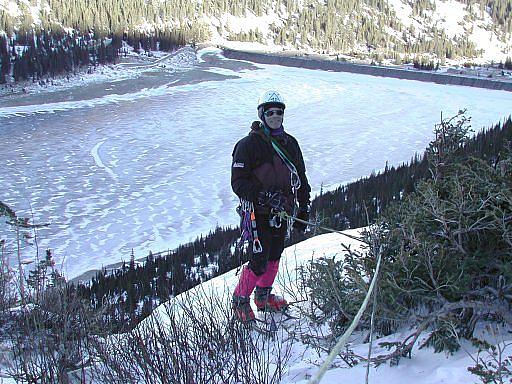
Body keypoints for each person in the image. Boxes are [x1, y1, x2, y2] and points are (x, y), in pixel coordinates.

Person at [231, 90, 311, 322]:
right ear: (262, 114)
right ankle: (240, 302)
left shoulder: (290, 143)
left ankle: (263, 298)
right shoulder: (248, 145)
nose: (275, 116)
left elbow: (301, 179)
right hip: (257, 212)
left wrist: (303, 209)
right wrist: (264, 196)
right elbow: (238, 183)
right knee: (259, 259)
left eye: (279, 112)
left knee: (274, 255)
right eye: (270, 112)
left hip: (281, 211)